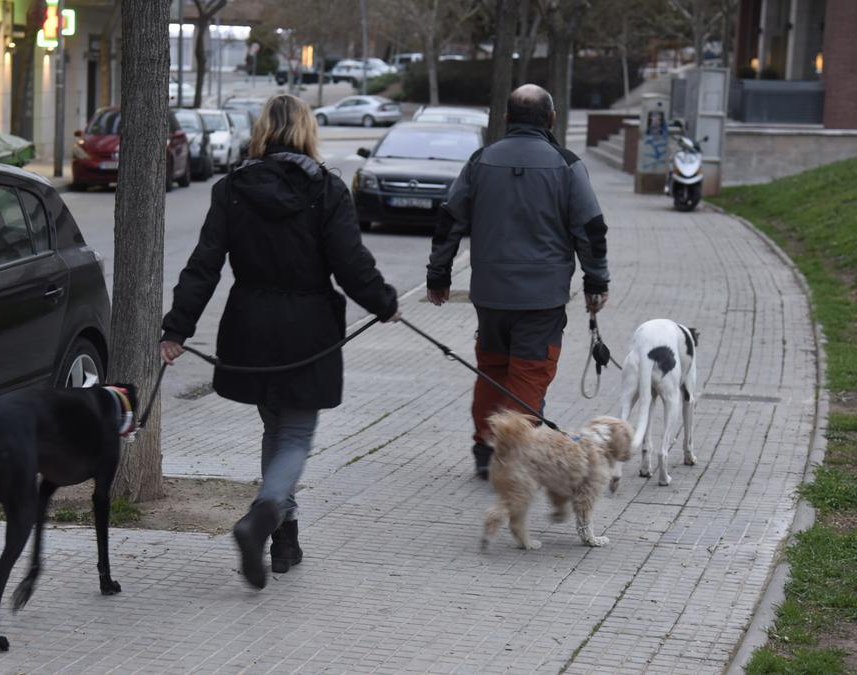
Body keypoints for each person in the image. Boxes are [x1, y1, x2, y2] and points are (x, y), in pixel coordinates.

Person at [160, 94, 400, 589]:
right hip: (307, 327)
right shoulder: (327, 189)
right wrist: (384, 302)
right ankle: (265, 514)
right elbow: (350, 262)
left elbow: (205, 264)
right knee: (294, 433)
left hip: (250, 323)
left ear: (262, 131)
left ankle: (283, 536)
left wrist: (177, 327)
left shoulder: (232, 188)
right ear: (308, 131)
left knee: (275, 426)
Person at [426, 84, 610, 480]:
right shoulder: (567, 165)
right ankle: (513, 453)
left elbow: (449, 221)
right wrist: (596, 281)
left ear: (507, 119)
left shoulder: (480, 161)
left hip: (490, 294)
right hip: (542, 298)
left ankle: (484, 446)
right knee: (529, 371)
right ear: (551, 119)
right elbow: (590, 228)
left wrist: (437, 275)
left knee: (492, 368)